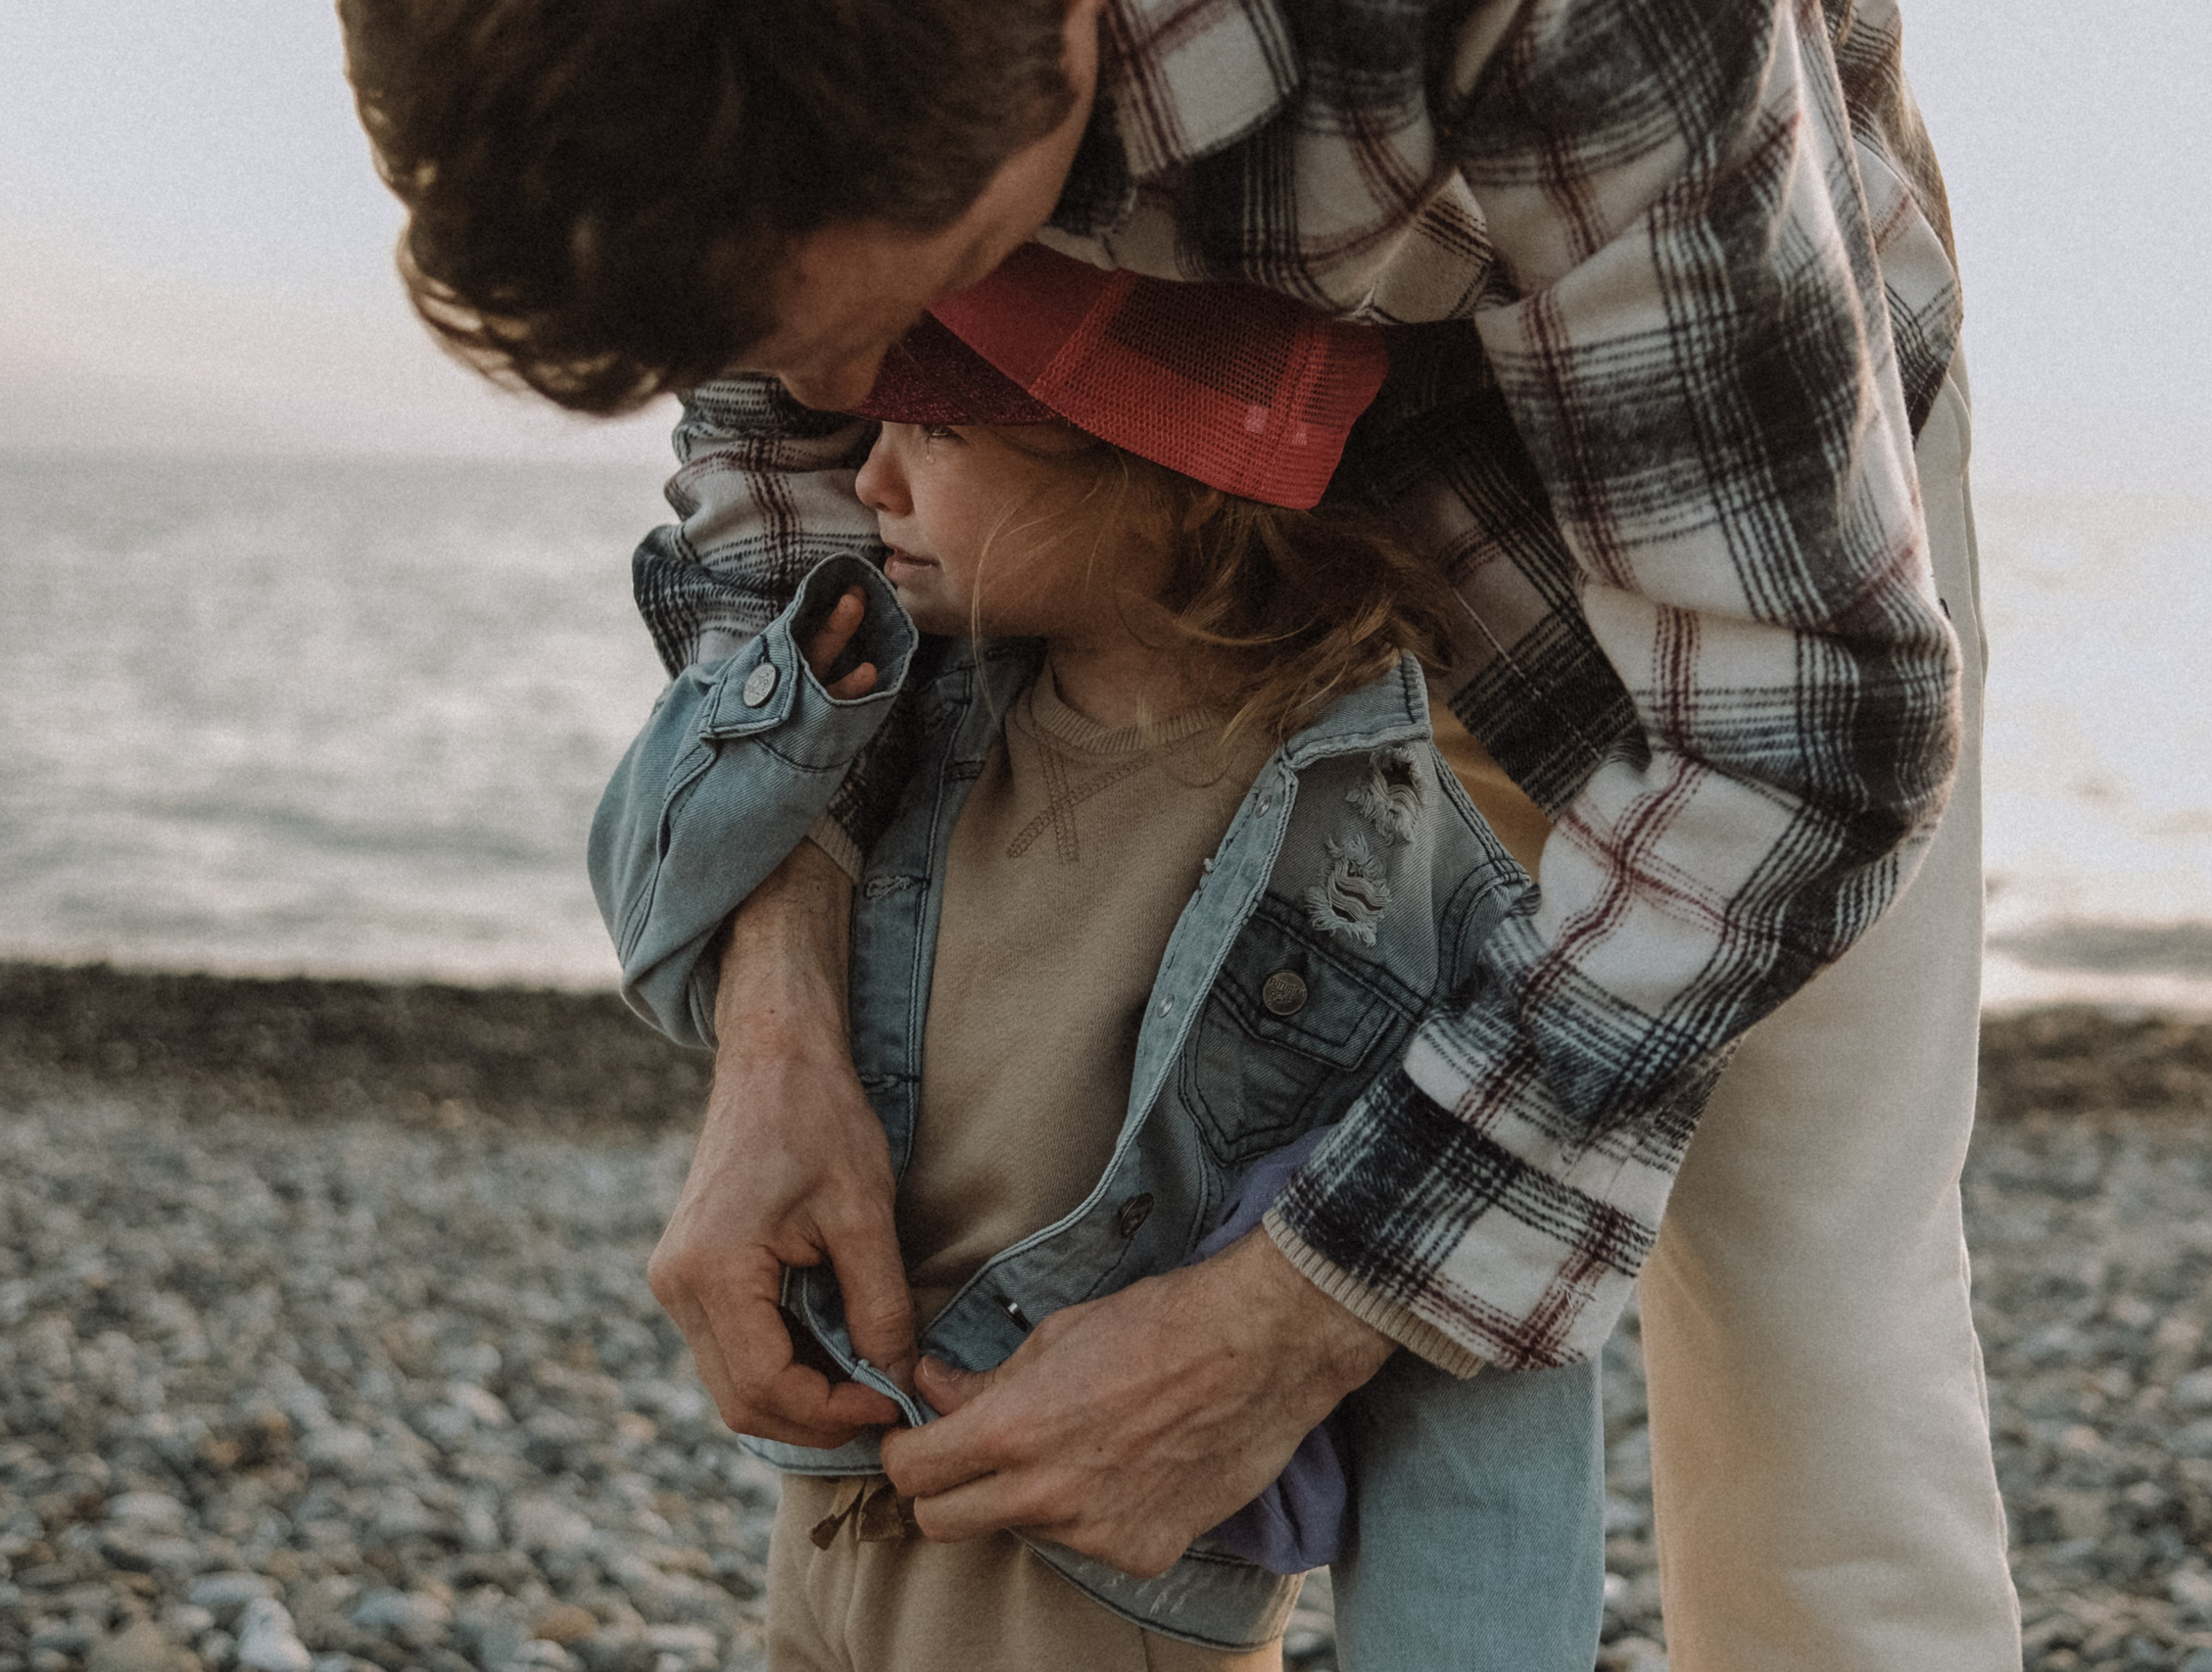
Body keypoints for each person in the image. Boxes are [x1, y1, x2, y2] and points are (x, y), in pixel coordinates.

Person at [342, 0, 2019, 1663]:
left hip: (1735, 518)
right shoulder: (748, 93)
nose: (863, 412)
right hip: (1150, 555)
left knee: (1809, 1315)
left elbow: (1806, 729)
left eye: (925, 316)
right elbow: (779, 498)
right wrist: (776, 1022)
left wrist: (1303, 1315)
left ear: (1052, 53)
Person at [591, 247, 1606, 1670]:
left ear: (1167, 478)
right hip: (827, 1541)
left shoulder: (1382, 862)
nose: (870, 483)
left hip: (1105, 1600)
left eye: (936, 432)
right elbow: (657, 918)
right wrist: (791, 721)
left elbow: (1481, 1364)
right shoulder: (894, 711)